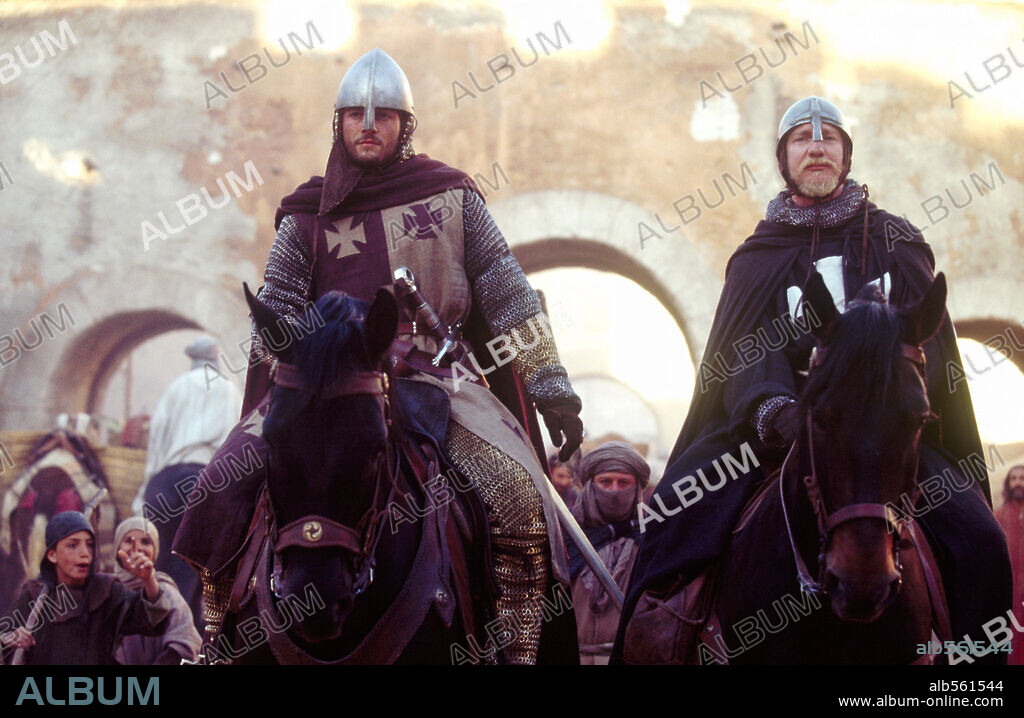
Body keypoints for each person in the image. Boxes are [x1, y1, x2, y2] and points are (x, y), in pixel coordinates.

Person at [174, 49, 583, 664]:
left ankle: (519, 648)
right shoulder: (308, 215)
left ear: (404, 126)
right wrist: (273, 398)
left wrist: (552, 387)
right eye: (355, 116)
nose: (369, 126)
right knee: (216, 491)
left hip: (438, 380)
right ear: (337, 125)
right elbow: (276, 323)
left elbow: (508, 293)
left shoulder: (451, 197)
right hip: (325, 386)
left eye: (384, 116)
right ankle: (216, 643)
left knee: (516, 493)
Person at [614, 96, 1012, 664]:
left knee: (981, 541)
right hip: (777, 431)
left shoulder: (897, 242)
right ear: (785, 159)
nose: (817, 147)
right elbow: (740, 352)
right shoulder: (756, 259)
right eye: (802, 138)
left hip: (886, 439)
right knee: (676, 513)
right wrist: (772, 407)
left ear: (846, 157)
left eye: (829, 140)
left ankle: (971, 683)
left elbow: (933, 350)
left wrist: (902, 411)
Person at [134, 336, 241, 628]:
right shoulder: (229, 389)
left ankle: (156, 621)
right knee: (194, 560)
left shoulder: (177, 387)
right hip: (205, 479)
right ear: (215, 358)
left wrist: (149, 483)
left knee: (160, 556)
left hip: (165, 480)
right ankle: (185, 630)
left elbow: (157, 434)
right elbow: (235, 440)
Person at [0, 511, 171, 665]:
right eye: (73, 545)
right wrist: (10, 640)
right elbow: (5, 639)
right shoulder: (33, 594)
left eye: (89, 544)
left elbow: (153, 620)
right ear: (52, 555)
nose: (85, 553)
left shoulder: (108, 591)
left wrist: (148, 579)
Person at [567, 442, 647, 664]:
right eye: (605, 481)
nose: (614, 490)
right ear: (590, 485)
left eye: (624, 483)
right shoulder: (566, 538)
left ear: (637, 488)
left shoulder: (652, 543)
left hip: (628, 657)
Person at [112, 517, 201, 665]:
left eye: (146, 542)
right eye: (129, 540)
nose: (138, 548)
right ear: (117, 548)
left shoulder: (166, 590)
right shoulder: (106, 589)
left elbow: (185, 642)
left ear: (155, 551)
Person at [995, 465, 1024, 665]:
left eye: (1022, 478)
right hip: (1010, 594)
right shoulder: (998, 515)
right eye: (1013, 478)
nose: (1018, 483)